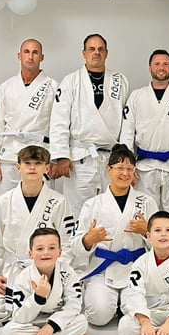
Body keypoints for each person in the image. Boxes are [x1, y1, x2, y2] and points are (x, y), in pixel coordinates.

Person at [0, 145, 75, 327]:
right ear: (18, 167)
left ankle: (30, 315)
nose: (32, 167)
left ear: (47, 168)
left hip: (46, 270)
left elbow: (67, 243)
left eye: (38, 163)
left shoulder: (58, 201)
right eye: (27, 163)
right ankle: (36, 316)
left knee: (54, 302)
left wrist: (56, 273)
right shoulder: (4, 201)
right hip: (11, 272)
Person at [69, 145, 158, 326]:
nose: (125, 173)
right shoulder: (92, 204)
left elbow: (164, 243)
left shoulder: (146, 202)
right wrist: (88, 240)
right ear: (109, 170)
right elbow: (74, 247)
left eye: (130, 169)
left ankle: (122, 304)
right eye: (120, 168)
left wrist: (147, 232)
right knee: (98, 315)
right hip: (103, 269)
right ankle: (113, 303)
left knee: (140, 313)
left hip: (136, 269)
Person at [48, 33, 130, 216]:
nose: (96, 53)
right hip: (80, 158)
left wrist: (125, 157)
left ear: (106, 53)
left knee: (110, 211)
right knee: (77, 211)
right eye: (91, 49)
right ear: (84, 53)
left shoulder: (120, 81)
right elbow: (59, 120)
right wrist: (61, 156)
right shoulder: (71, 81)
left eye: (101, 49)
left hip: (111, 158)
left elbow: (127, 122)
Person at [120, 49, 169, 211]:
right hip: (144, 168)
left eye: (166, 64)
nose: (161, 67)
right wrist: (128, 166)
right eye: (157, 64)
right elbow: (127, 134)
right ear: (150, 68)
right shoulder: (136, 96)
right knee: (143, 213)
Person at [0, 39, 56, 196]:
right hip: (10, 155)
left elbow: (60, 126)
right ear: (19, 56)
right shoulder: (6, 87)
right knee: (7, 202)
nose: (30, 56)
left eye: (35, 52)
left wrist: (57, 159)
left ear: (42, 57)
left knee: (41, 202)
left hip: (41, 155)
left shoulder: (53, 87)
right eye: (26, 52)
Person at [0, 227, 88, 335]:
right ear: (30, 254)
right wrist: (38, 298)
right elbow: (19, 317)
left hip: (57, 319)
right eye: (40, 249)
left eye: (52, 248)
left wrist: (51, 327)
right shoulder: (23, 277)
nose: (46, 253)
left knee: (82, 322)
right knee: (9, 331)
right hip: (33, 321)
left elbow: (74, 305)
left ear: (59, 252)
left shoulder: (68, 272)